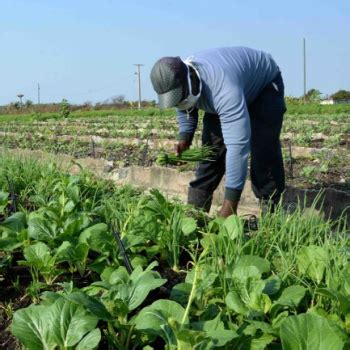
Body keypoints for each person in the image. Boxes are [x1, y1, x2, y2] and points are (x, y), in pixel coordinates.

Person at [150, 46, 286, 217]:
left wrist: (230, 205)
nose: (178, 102)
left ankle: (271, 218)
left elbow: (237, 148)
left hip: (264, 88)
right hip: (230, 85)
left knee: (263, 150)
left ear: (191, 80)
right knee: (211, 152)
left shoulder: (223, 90)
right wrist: (185, 136)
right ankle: (193, 216)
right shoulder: (181, 80)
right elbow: (183, 104)